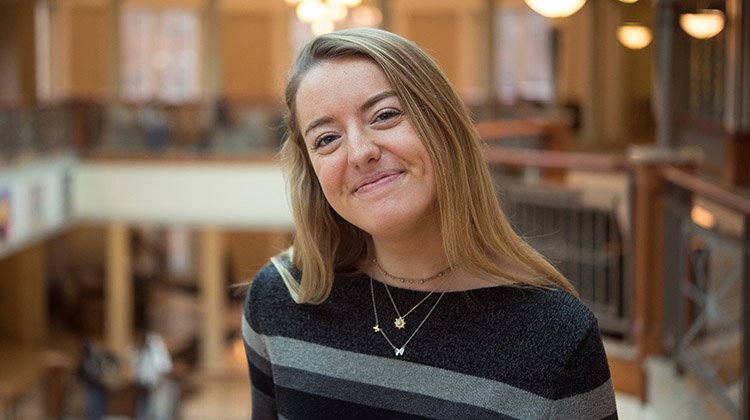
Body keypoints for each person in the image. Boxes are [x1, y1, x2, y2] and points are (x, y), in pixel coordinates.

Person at [243, 28, 617, 419]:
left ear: (443, 125)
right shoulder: (278, 302)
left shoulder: (556, 338)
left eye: (385, 115)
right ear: (312, 171)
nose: (359, 152)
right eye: (326, 139)